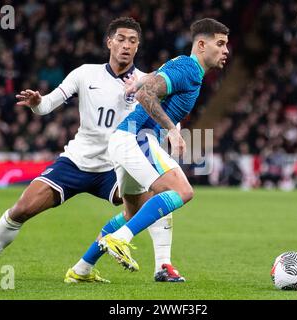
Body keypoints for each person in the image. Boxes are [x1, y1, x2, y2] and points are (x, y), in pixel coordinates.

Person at [0, 17, 184, 283]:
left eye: (132, 41)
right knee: (21, 209)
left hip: (116, 166)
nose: (126, 45)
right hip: (76, 162)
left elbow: (166, 115)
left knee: (157, 201)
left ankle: (163, 267)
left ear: (138, 46)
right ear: (109, 42)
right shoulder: (85, 73)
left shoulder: (146, 82)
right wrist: (37, 102)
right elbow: (46, 105)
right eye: (120, 39)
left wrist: (172, 133)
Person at [96, 18, 229, 271]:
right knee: (182, 191)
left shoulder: (183, 65)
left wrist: (136, 82)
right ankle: (121, 238)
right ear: (201, 45)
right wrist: (173, 131)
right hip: (137, 137)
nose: (226, 51)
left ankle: (82, 267)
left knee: (135, 212)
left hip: (127, 140)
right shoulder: (189, 69)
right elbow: (147, 96)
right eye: (220, 44)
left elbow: (154, 79)